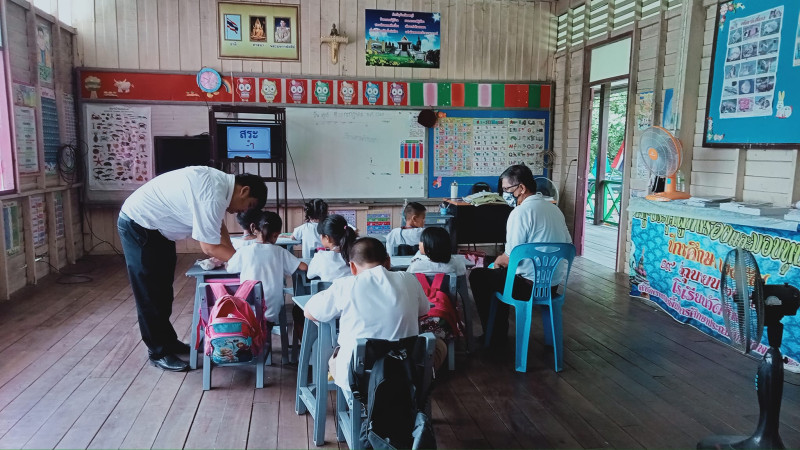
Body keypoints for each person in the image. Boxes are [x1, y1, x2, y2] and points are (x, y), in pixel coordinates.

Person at [118, 166, 267, 371]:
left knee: (163, 289)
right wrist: (245, 263)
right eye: (248, 205)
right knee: (149, 292)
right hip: (139, 225)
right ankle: (158, 351)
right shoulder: (213, 194)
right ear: (244, 190)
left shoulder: (220, 187)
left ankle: (168, 342)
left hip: (158, 231)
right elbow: (209, 247)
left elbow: (218, 228)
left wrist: (233, 257)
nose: (243, 211)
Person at [304, 238, 429, 403]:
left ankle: (360, 407)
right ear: (388, 261)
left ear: (352, 267)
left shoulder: (344, 285)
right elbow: (424, 310)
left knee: (336, 359)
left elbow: (310, 312)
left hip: (360, 380)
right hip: (405, 372)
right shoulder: (409, 279)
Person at [469, 164, 571, 348]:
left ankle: (495, 338)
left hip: (527, 287)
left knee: (479, 276)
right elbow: (568, 246)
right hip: (552, 286)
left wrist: (496, 262)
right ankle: (497, 335)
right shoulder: (555, 210)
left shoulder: (520, 213)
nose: (505, 194)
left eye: (507, 189)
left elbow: (510, 258)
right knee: (496, 274)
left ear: (522, 188)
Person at [226, 211, 308, 326]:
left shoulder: (244, 251)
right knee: (266, 323)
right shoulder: (280, 252)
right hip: (272, 310)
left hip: (247, 311)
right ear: (276, 235)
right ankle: (266, 334)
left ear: (254, 228)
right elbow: (303, 267)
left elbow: (229, 268)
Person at [307, 214, 358, 282]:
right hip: (353, 288)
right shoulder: (358, 254)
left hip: (330, 289)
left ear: (327, 238)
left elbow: (309, 275)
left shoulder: (320, 257)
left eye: (321, 235)